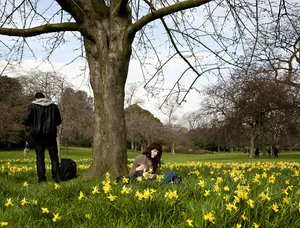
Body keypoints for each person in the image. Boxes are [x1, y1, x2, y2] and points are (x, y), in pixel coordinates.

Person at [24, 92, 62, 183]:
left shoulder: (32, 106)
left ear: (35, 98)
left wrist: (32, 125)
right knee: (54, 156)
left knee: (40, 156)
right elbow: (58, 121)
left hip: (38, 135)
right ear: (44, 98)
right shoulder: (53, 106)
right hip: (51, 134)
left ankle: (41, 179)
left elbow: (26, 120)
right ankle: (56, 177)